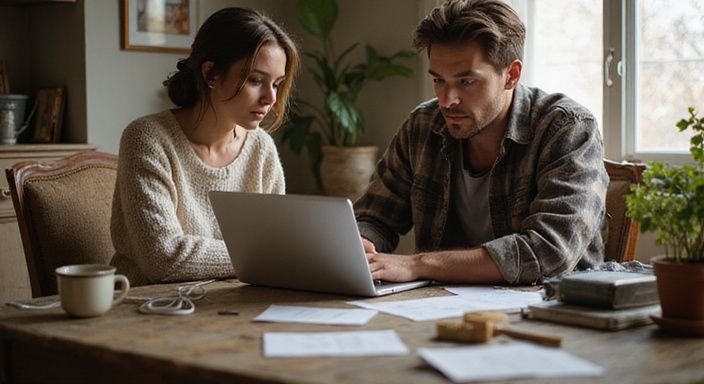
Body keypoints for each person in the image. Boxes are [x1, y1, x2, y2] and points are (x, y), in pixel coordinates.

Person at [355, 0, 608, 285]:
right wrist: (360, 244)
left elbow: (549, 250)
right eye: (439, 80)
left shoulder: (567, 128)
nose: (447, 100)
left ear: (511, 75)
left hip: (549, 310)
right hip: (438, 307)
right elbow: (375, 216)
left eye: (466, 82)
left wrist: (417, 265)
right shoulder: (423, 126)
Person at [110, 7, 299, 286]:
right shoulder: (147, 139)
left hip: (232, 308)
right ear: (211, 74)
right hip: (148, 309)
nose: (270, 98)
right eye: (256, 80)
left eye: (277, 84)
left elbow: (275, 246)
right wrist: (267, 254)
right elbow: (163, 258)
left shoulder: (262, 150)